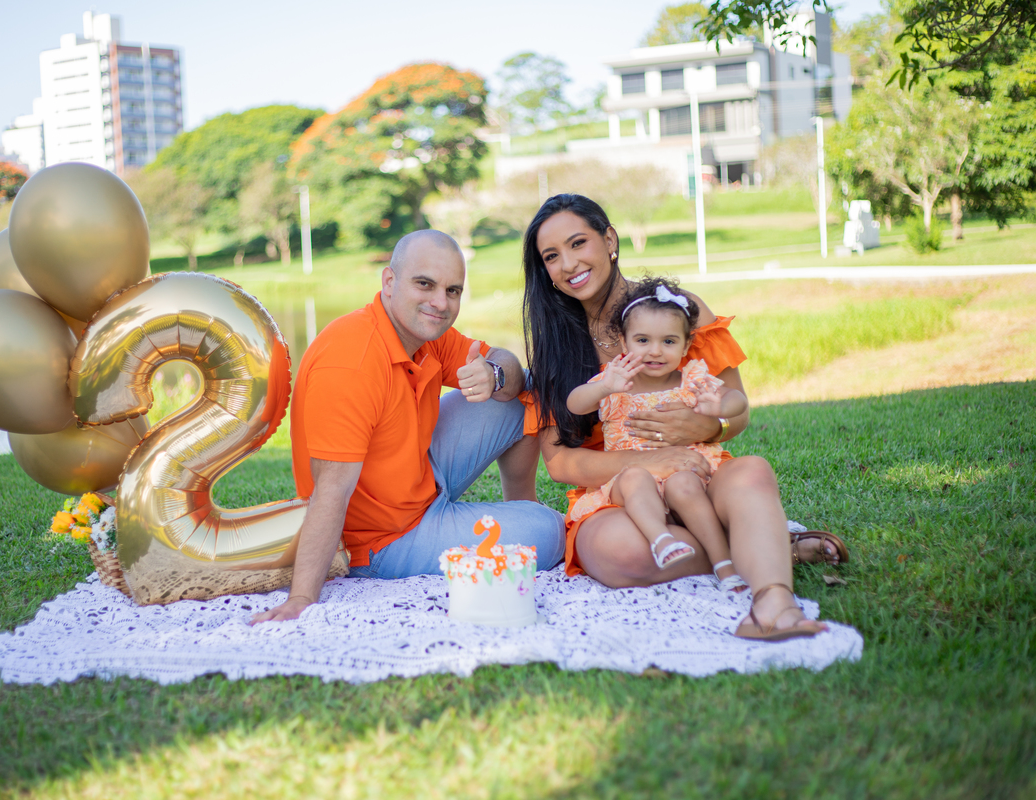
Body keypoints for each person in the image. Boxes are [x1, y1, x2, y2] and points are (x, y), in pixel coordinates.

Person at [521, 193, 839, 640]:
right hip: (620, 496)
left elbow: (737, 411)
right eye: (551, 256)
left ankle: (774, 605)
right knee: (620, 553)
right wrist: (648, 463)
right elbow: (560, 464)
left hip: (697, 475)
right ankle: (763, 543)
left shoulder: (677, 311)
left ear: (609, 239)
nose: (568, 263)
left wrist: (708, 426)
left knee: (751, 473)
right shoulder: (556, 346)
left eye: (578, 243)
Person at [252, 230, 565, 624]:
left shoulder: (423, 331)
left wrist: (494, 373)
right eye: (425, 284)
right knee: (553, 532)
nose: (440, 302)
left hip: (422, 475)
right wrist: (301, 597)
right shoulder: (352, 363)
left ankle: (519, 505)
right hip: (386, 538)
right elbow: (331, 490)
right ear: (389, 281)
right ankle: (513, 521)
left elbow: (510, 365)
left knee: (523, 387)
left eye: (453, 291)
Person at [565, 276, 750, 593]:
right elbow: (575, 404)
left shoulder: (691, 379)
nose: (655, 351)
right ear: (624, 344)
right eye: (642, 341)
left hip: (683, 473)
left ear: (686, 345)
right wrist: (602, 388)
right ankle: (660, 539)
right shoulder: (615, 380)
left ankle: (724, 564)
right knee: (635, 477)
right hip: (635, 481)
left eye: (668, 341)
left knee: (685, 482)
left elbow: (738, 401)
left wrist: (717, 403)